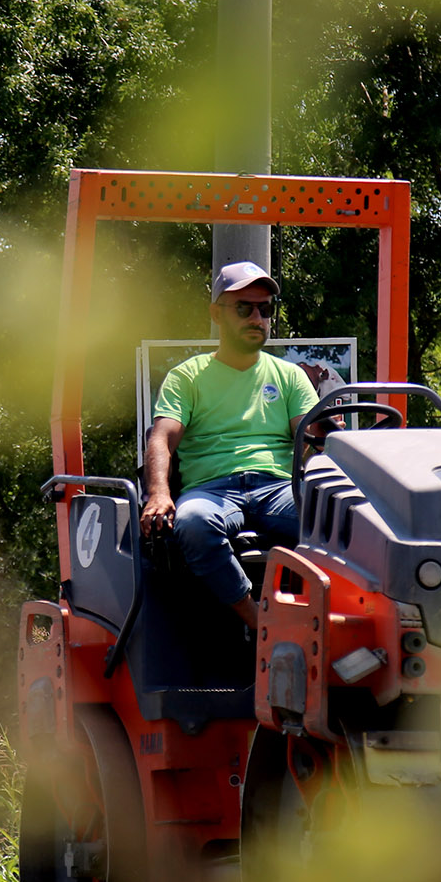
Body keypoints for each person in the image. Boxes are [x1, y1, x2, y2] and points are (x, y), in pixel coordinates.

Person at [139, 261, 321, 624]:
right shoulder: (187, 377)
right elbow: (162, 437)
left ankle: (323, 618)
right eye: (244, 308)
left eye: (265, 309)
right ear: (217, 314)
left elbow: (311, 432)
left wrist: (327, 430)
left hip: (278, 489)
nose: (257, 318)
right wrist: (158, 493)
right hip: (211, 490)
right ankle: (258, 621)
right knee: (193, 522)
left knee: (338, 518)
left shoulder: (290, 376)